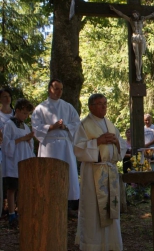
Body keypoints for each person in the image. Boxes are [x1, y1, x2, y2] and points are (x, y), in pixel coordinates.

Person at [73, 93, 127, 251]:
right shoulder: (84, 125)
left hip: (110, 170)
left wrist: (116, 142)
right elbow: (77, 148)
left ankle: (110, 244)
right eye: (99, 103)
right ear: (91, 106)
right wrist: (98, 141)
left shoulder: (110, 124)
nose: (104, 106)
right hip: (93, 172)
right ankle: (93, 245)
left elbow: (122, 146)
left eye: (105, 103)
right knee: (93, 210)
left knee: (111, 208)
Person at [31, 79, 81, 216]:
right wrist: (52, 127)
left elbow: (77, 123)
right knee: (49, 176)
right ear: (49, 89)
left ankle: (65, 206)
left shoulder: (68, 107)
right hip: (49, 147)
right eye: (56, 88)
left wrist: (65, 126)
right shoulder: (41, 108)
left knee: (67, 174)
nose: (59, 92)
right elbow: (35, 128)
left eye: (61, 89)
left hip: (65, 145)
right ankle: (48, 206)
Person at [2, 98, 35, 227]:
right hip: (13, 161)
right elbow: (6, 145)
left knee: (22, 188)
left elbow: (29, 144)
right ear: (18, 110)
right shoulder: (8, 125)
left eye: (27, 114)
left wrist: (28, 140)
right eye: (24, 113)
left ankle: (21, 212)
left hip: (24, 160)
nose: (26, 116)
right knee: (12, 189)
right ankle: (11, 215)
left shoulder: (26, 126)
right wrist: (23, 139)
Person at [109, 5, 154, 81]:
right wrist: (114, 9)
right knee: (137, 56)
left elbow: (150, 16)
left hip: (141, 37)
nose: (134, 15)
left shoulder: (142, 19)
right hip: (134, 37)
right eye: (133, 14)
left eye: (135, 14)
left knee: (140, 56)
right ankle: (138, 74)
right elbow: (122, 14)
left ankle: (139, 73)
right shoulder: (131, 20)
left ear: (138, 14)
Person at [0, 87, 14, 218]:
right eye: (4, 96)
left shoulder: (15, 114)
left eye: (8, 96)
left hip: (14, 151)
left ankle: (12, 210)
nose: (7, 98)